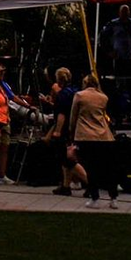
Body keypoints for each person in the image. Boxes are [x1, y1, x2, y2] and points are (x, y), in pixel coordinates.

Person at [69, 74, 118, 208]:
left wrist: (71, 132)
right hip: (104, 136)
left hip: (85, 135)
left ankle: (94, 197)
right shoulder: (103, 97)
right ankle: (113, 197)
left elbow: (73, 116)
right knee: (107, 167)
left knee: (91, 168)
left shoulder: (79, 96)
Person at [45, 67, 87, 196]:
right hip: (75, 126)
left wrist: (57, 131)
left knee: (68, 160)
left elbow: (62, 114)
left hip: (65, 129)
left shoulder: (62, 95)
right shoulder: (75, 91)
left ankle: (90, 183)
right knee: (66, 160)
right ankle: (66, 185)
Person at [100, 5, 131, 74]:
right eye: (123, 12)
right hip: (118, 57)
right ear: (119, 13)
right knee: (120, 78)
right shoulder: (113, 24)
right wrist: (109, 51)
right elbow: (102, 37)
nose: (124, 13)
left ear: (129, 12)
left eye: (126, 11)